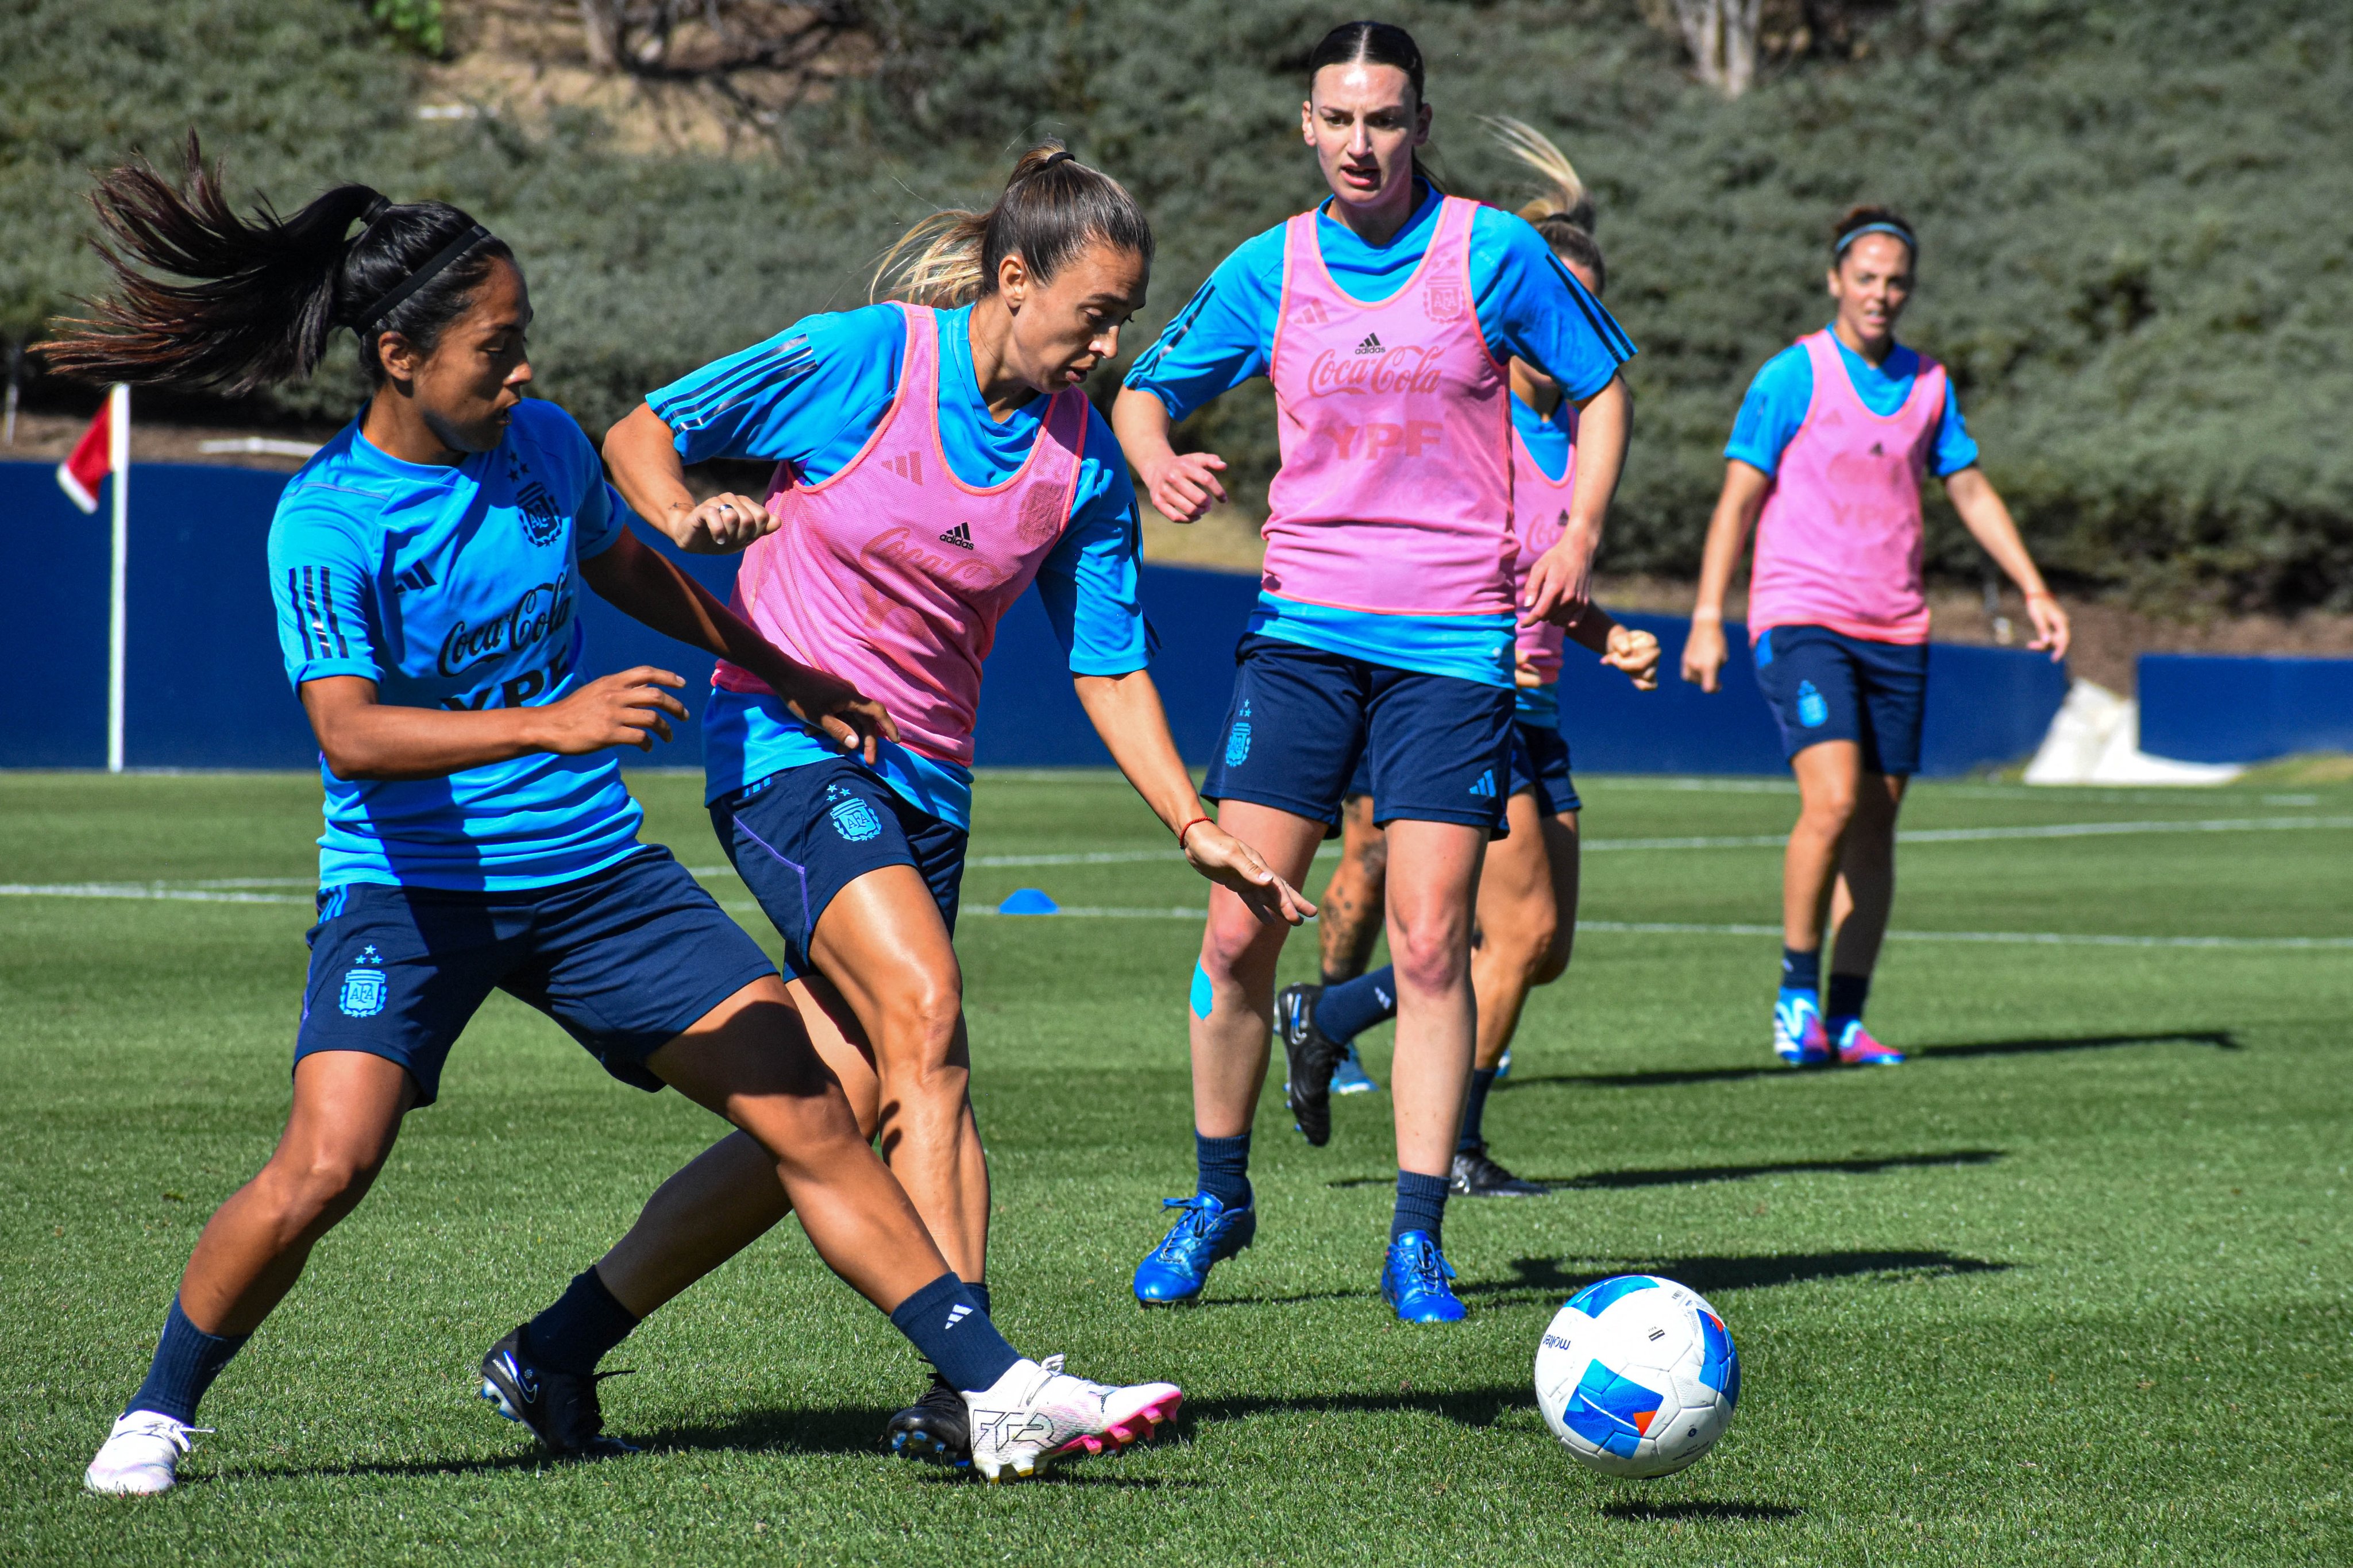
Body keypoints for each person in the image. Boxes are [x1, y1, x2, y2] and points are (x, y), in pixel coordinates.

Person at [58, 142, 1179, 1494]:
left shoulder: (538, 447)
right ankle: (159, 1411)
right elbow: (349, 733)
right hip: (412, 893)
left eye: (524, 338)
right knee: (325, 1165)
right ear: (402, 357)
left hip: (596, 882)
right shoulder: (329, 518)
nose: (524, 369)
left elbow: (636, 570)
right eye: (497, 346)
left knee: (815, 1110)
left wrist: (788, 672)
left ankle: (991, 1389)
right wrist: (556, 721)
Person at [547, 141, 1313, 1470]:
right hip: (788, 751)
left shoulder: (1080, 466)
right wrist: (682, 512)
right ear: (1015, 280)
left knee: (831, 1105)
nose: (1110, 340)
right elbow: (638, 432)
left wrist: (1194, 826)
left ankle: (554, 1347)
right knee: (930, 1016)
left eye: (1128, 317)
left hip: (928, 793)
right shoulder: (863, 360)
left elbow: (1110, 660)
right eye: (1097, 311)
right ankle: (979, 1391)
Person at [1112, 22, 1637, 1322]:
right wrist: (1156, 461)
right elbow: (1138, 392)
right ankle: (1216, 1198)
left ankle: (1414, 1236)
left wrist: (1575, 535)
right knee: (1238, 925)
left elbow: (1605, 385)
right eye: (1339, 119)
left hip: (1454, 649)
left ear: (1419, 126)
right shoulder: (1269, 268)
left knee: (1424, 942)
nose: (1362, 143)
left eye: (1386, 119)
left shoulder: (1491, 252)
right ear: (1305, 125)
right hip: (1301, 635)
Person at [1277, 120, 1660, 1200]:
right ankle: (1451, 1147)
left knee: (1540, 945)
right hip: (1463, 688)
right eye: (1557, 300)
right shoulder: (1476, 418)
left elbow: (1538, 572)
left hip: (1537, 699)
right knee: (1478, 924)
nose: (1568, 324)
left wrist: (1602, 630)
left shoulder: (1573, 439)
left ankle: (1334, 1011)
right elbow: (1461, 560)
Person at [1679, 205, 2070, 1068]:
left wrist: (2035, 587)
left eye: (1896, 281)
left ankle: (1847, 1020)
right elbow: (1737, 501)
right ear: (1836, 281)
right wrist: (1709, 616)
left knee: (1878, 823)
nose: (1881, 294)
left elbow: (1968, 490)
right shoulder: (1792, 376)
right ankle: (1794, 995)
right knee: (1832, 799)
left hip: (1897, 625)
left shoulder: (1930, 383)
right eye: (1866, 278)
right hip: (1802, 614)